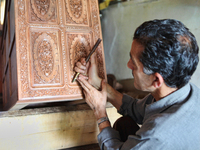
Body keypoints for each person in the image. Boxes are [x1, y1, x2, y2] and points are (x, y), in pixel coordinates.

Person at [74, 19, 200, 150]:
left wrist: (100, 113)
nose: (128, 65)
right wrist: (97, 82)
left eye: (134, 62)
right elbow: (135, 109)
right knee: (124, 124)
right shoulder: (186, 91)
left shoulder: (157, 135)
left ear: (156, 80)